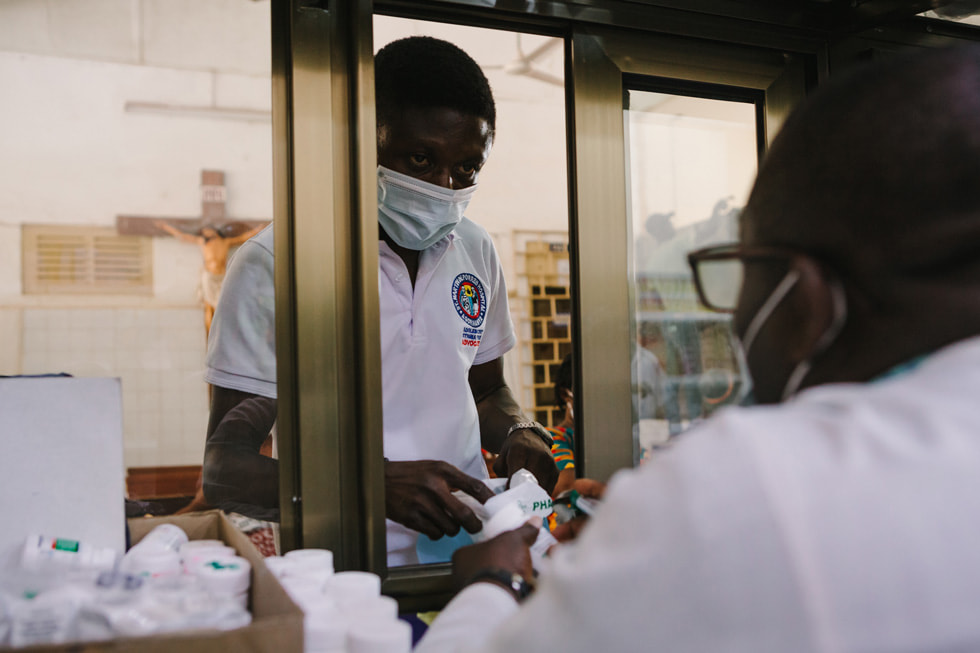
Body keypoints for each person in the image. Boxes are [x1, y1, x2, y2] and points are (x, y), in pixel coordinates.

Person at [415, 45, 980, 652]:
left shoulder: (745, 488)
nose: (731, 316)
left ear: (804, 296)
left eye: (740, 269)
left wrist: (493, 582)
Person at [202, 36, 558, 564]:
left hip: (470, 554)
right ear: (362, 142)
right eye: (420, 159)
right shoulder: (279, 263)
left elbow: (486, 390)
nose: (444, 187)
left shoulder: (475, 249)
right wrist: (370, 484)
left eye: (466, 169)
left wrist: (519, 431)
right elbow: (225, 469)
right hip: (346, 564)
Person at [155, 220, 264, 333]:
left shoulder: (225, 242)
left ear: (213, 230)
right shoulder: (203, 242)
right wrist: (166, 227)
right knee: (209, 307)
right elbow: (182, 236)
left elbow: (242, 238)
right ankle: (210, 333)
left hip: (221, 277)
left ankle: (220, 332)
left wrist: (257, 231)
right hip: (209, 277)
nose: (205, 233)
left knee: (221, 306)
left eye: (207, 230)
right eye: (204, 232)